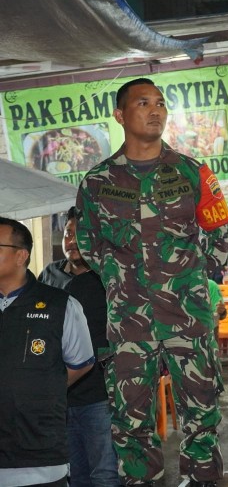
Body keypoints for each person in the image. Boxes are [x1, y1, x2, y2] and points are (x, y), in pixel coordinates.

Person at [76, 77, 228, 487]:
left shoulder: (192, 172)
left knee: (201, 417)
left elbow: (220, 238)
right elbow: (89, 246)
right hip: (129, 321)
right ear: (120, 115)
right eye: (143, 102)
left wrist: (188, 279)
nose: (155, 110)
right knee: (130, 422)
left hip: (189, 317)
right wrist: (122, 280)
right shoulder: (97, 182)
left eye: (161, 103)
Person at [0, 217, 95, 487]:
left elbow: (81, 363)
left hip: (40, 457)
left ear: (21, 256)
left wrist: (40, 388)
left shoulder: (60, 305)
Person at [38, 207, 120, 487]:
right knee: (75, 475)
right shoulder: (50, 274)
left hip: (101, 396)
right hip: (59, 396)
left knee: (105, 473)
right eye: (69, 233)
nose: (71, 241)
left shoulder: (109, 278)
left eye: (80, 235)